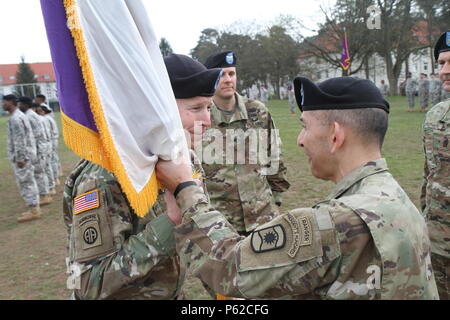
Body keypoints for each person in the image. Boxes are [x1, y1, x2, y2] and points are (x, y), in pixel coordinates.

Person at [155, 76, 439, 300]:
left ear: (335, 135)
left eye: (305, 127)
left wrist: (185, 189)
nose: (300, 140)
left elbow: (230, 267)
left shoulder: (337, 220)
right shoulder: (395, 196)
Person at [63, 53, 222, 300]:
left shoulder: (185, 161)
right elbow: (87, 285)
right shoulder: (103, 176)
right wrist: (170, 223)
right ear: (159, 110)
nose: (208, 120)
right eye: (196, 108)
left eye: (209, 107)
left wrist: (224, 292)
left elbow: (201, 237)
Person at [202, 51, 290, 236]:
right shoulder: (201, 117)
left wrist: (276, 200)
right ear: (210, 79)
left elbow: (274, 157)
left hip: (263, 218)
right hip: (220, 224)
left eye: (231, 74)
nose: (228, 80)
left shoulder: (257, 111)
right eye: (221, 74)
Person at [421, 31, 450, 300]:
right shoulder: (436, 116)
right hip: (437, 243)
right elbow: (429, 176)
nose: (445, 71)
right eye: (441, 63)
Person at [2, 94, 41, 223]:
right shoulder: (18, 116)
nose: (3, 104)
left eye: (5, 102)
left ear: (11, 102)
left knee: (26, 182)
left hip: (23, 157)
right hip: (26, 154)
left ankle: (34, 210)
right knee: (28, 181)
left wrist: (20, 158)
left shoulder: (16, 118)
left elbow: (20, 140)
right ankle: (33, 208)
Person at [18, 97, 52, 206]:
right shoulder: (32, 115)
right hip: (40, 145)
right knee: (41, 171)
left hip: (38, 146)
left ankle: (45, 195)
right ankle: (45, 193)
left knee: (39, 172)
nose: (19, 106)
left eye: (20, 104)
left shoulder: (29, 116)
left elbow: (34, 134)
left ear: (26, 105)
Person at [35, 105, 57, 196]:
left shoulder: (43, 119)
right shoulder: (47, 118)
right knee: (50, 163)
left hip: (47, 143)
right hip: (49, 141)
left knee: (47, 165)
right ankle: (53, 182)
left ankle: (51, 185)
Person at [39, 105, 61, 186]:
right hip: (51, 140)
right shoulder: (48, 118)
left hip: (50, 140)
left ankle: (55, 178)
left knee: (51, 161)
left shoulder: (46, 119)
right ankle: (56, 176)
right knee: (53, 159)